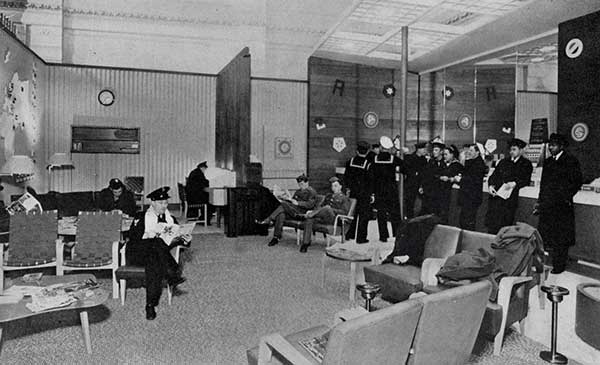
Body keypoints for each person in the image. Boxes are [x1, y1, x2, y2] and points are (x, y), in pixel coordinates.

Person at [127, 187, 192, 320]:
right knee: (156, 243)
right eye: (161, 203)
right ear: (153, 203)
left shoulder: (171, 219)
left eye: (166, 203)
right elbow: (133, 239)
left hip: (157, 257)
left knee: (154, 263)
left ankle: (150, 306)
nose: (164, 206)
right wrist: (151, 234)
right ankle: (172, 271)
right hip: (139, 254)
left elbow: (179, 239)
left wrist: (187, 240)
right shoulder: (141, 217)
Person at [536, 133, 582, 274]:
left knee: (560, 239)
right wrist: (539, 201)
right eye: (549, 145)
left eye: (553, 145)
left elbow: (576, 182)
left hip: (561, 206)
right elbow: (543, 184)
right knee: (547, 236)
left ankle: (559, 266)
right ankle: (548, 264)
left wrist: (564, 197)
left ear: (561, 146)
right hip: (547, 206)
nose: (550, 147)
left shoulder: (570, 161)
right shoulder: (549, 162)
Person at [485, 138, 533, 234]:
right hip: (496, 199)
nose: (511, 152)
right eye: (510, 150)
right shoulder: (503, 162)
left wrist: (515, 183)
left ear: (521, 150)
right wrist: (490, 186)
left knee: (505, 227)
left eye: (514, 149)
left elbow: (525, 180)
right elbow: (493, 176)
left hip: (509, 201)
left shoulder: (526, 164)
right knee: (492, 227)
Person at [258, 174, 317, 247]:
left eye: (302, 184)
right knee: (281, 214)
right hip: (293, 212)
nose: (300, 186)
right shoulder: (298, 191)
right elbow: (292, 202)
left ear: (307, 183)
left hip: (302, 213)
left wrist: (298, 203)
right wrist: (287, 198)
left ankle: (269, 219)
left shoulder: (311, 191)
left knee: (283, 204)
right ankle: (276, 237)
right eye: (299, 184)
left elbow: (310, 204)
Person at [301, 177, 351, 253]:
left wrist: (331, 209)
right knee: (310, 219)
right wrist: (315, 211)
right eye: (332, 186)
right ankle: (305, 244)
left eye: (336, 186)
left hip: (333, 219)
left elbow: (344, 212)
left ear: (340, 186)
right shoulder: (328, 196)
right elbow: (320, 206)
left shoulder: (344, 198)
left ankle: (309, 214)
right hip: (322, 217)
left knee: (327, 208)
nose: (333, 188)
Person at [370, 136, 404, 242]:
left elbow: (371, 176)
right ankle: (396, 235)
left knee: (381, 214)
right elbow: (405, 167)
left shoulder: (374, 159)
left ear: (380, 147)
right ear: (389, 148)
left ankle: (383, 237)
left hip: (379, 190)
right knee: (395, 214)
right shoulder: (393, 159)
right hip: (392, 191)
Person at [344, 141, 372, 244]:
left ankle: (349, 234)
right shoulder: (368, 164)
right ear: (367, 151)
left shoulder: (349, 162)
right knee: (363, 216)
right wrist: (371, 194)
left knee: (351, 214)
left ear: (357, 151)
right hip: (364, 194)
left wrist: (348, 189)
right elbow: (370, 181)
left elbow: (346, 178)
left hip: (352, 192)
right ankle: (361, 238)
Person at [457, 144, 487, 230]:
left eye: (471, 151)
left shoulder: (479, 164)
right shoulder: (471, 161)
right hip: (467, 197)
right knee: (464, 220)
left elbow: (473, 179)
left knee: (468, 221)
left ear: (477, 152)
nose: (468, 152)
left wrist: (460, 179)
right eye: (468, 150)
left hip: (471, 198)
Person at [438, 145, 463, 223]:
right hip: (442, 191)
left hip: (451, 193)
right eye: (443, 155)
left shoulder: (457, 165)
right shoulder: (443, 164)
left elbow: (459, 178)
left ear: (452, 154)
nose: (444, 156)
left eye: (446, 154)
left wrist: (449, 179)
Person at [420, 141, 445, 217]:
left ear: (441, 151)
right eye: (433, 150)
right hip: (429, 193)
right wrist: (422, 186)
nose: (434, 152)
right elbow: (425, 175)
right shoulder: (431, 162)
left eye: (436, 150)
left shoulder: (444, 163)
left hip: (439, 193)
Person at [403, 142, 428, 219]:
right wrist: (414, 173)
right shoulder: (410, 158)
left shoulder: (424, 159)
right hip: (411, 184)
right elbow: (404, 169)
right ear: (418, 149)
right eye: (423, 148)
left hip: (420, 184)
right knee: (410, 204)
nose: (425, 150)